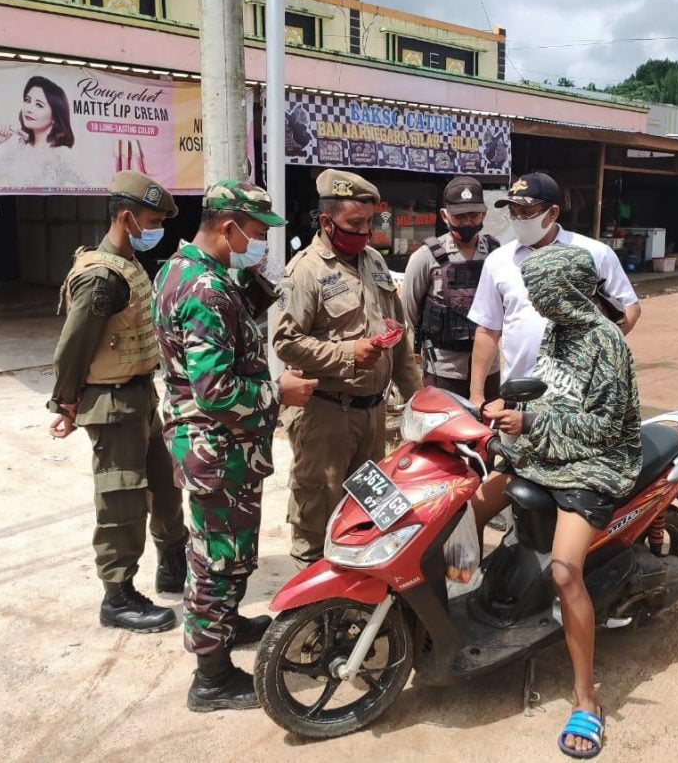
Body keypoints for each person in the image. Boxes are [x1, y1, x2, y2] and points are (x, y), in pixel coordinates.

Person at [153, 179, 317, 712]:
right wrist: (280, 391)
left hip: (212, 446)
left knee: (223, 554)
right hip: (218, 446)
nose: (261, 242)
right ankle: (212, 678)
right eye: (255, 232)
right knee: (218, 561)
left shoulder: (182, 271)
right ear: (228, 227)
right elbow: (217, 389)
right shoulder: (204, 290)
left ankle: (225, 630)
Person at [487, 245, 641, 758]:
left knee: (565, 572)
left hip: (598, 459)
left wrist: (530, 423)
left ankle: (586, 697)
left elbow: (604, 428)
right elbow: (554, 394)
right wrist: (512, 408)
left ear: (565, 290)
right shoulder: (558, 331)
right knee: (470, 497)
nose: (534, 301)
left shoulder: (607, 343)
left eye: (541, 292)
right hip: (551, 445)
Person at [47, 170, 187, 633]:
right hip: (111, 403)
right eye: (151, 220)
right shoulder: (101, 277)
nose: (157, 229)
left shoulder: (128, 263)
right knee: (122, 498)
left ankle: (172, 562)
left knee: (166, 486)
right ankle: (118, 594)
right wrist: (65, 404)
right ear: (127, 218)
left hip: (141, 395)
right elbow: (73, 346)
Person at [467, 171, 641, 531]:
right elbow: (488, 329)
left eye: (526, 211)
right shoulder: (500, 261)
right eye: (512, 210)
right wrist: (477, 394)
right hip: (520, 398)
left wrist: (595, 349)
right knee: (519, 495)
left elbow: (629, 309)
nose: (518, 218)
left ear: (553, 212)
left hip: (578, 403)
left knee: (559, 501)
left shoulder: (593, 253)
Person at [274, 168, 424, 565]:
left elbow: (399, 337)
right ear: (327, 221)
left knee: (367, 515)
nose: (365, 232)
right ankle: (309, 618)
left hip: (374, 416)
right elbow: (285, 343)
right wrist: (346, 354)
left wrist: (419, 401)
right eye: (355, 224)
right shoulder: (305, 271)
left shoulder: (374, 261)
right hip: (327, 414)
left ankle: (356, 609)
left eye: (370, 223)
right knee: (317, 513)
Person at [401, 175, 501, 400]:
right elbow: (410, 309)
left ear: (484, 214)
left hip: (489, 368)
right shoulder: (425, 257)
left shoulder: (496, 254)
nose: (467, 222)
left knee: (489, 431)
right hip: (444, 369)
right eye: (459, 216)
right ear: (445, 215)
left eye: (473, 215)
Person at [0, 75, 85, 187]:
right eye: (27, 100)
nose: (29, 109)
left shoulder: (61, 154)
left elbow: (94, 187)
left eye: (39, 105)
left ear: (55, 117)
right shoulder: (19, 149)